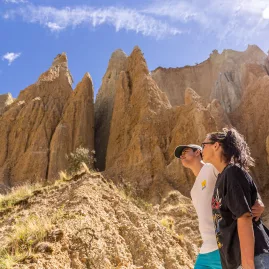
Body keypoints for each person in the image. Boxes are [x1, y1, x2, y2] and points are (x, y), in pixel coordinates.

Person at [174, 144, 264, 269]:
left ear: (197, 152)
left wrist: (258, 200)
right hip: (206, 248)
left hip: (224, 245)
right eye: (180, 155)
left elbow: (239, 177)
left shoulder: (211, 168)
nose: (182, 155)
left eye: (185, 151)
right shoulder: (193, 190)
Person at [201, 128, 269, 269]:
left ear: (216, 145)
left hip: (253, 259)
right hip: (237, 262)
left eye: (204, 144)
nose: (202, 149)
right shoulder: (223, 177)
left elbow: (244, 217)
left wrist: (248, 265)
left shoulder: (232, 172)